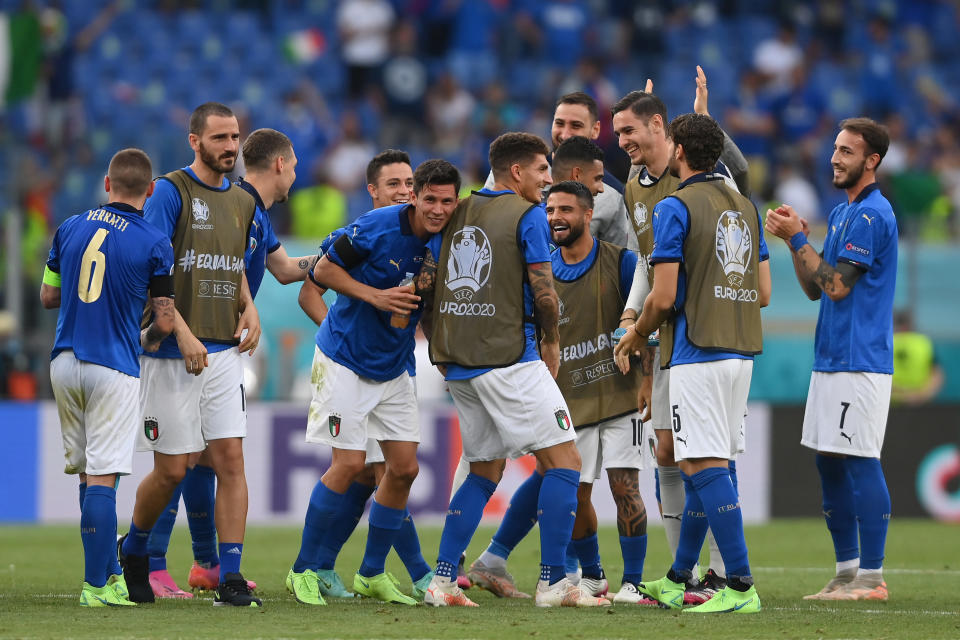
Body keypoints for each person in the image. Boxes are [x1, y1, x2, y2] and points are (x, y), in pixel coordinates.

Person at [420, 132, 608, 608]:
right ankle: (554, 583)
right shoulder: (527, 216)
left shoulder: (457, 210)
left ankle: (441, 583)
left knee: (483, 470)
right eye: (544, 170)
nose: (549, 181)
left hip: (459, 363)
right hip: (509, 357)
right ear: (518, 172)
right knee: (564, 462)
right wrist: (551, 344)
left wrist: (438, 342)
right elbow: (544, 290)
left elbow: (426, 281)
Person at [464, 137, 650, 600]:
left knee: (625, 486)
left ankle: (633, 582)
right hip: (572, 399)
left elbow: (644, 319)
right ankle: (591, 574)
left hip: (621, 393)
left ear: (589, 215)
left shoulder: (620, 263)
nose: (556, 219)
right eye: (550, 212)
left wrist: (647, 379)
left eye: (566, 211)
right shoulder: (540, 271)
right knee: (576, 491)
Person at [143, 128, 316, 599]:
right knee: (179, 461)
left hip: (220, 345)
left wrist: (338, 256)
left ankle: (207, 564)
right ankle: (153, 559)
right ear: (280, 165)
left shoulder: (254, 212)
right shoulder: (230, 199)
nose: (296, 176)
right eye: (295, 166)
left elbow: (282, 269)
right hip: (191, 340)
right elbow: (219, 259)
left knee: (205, 459)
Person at [287, 159, 460, 607]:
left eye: (447, 201)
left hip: (395, 365)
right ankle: (303, 570)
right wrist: (374, 296)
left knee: (402, 469)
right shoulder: (376, 227)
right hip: (345, 361)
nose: (438, 209)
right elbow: (320, 274)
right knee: (349, 466)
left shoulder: (450, 239)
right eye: (428, 199)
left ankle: (371, 572)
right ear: (414, 197)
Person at [619, 113, 769, 613]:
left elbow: (662, 297)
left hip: (696, 352)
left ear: (678, 150)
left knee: (698, 463)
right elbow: (764, 292)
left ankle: (741, 586)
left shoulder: (675, 205)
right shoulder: (745, 206)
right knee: (710, 461)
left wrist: (635, 336)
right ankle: (680, 574)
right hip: (741, 350)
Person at [119, 102, 263, 607]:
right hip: (170, 354)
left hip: (223, 350)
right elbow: (149, 264)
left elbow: (234, 261)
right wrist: (178, 331)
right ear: (194, 141)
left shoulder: (244, 200)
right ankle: (134, 548)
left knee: (230, 461)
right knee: (173, 471)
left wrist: (250, 307)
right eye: (220, 137)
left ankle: (230, 574)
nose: (230, 147)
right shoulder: (170, 192)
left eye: (235, 138)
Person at [765, 117, 896, 602]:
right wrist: (794, 239)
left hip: (860, 360)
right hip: (831, 357)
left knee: (861, 459)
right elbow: (816, 288)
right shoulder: (843, 214)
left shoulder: (872, 214)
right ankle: (845, 572)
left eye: (847, 151)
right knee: (829, 461)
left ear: (872, 161)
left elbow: (838, 287)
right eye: (836, 149)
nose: (835, 158)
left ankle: (872, 578)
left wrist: (800, 239)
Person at [41, 148, 175, 607]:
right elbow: (164, 321)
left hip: (63, 362)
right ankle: (95, 586)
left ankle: (109, 575)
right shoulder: (155, 241)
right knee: (103, 477)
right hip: (112, 364)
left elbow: (46, 295)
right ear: (151, 189)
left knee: (86, 476)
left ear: (106, 183)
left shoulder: (70, 227)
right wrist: (145, 335)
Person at [483, 92, 633, 248]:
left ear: (595, 130)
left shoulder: (613, 196)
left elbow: (616, 261)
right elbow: (483, 225)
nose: (565, 134)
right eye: (559, 123)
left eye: (576, 125)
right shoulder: (512, 168)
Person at [891, 310, 944, 405]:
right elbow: (937, 376)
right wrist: (921, 395)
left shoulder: (887, 342)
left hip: (890, 403)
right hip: (919, 404)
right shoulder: (924, 342)